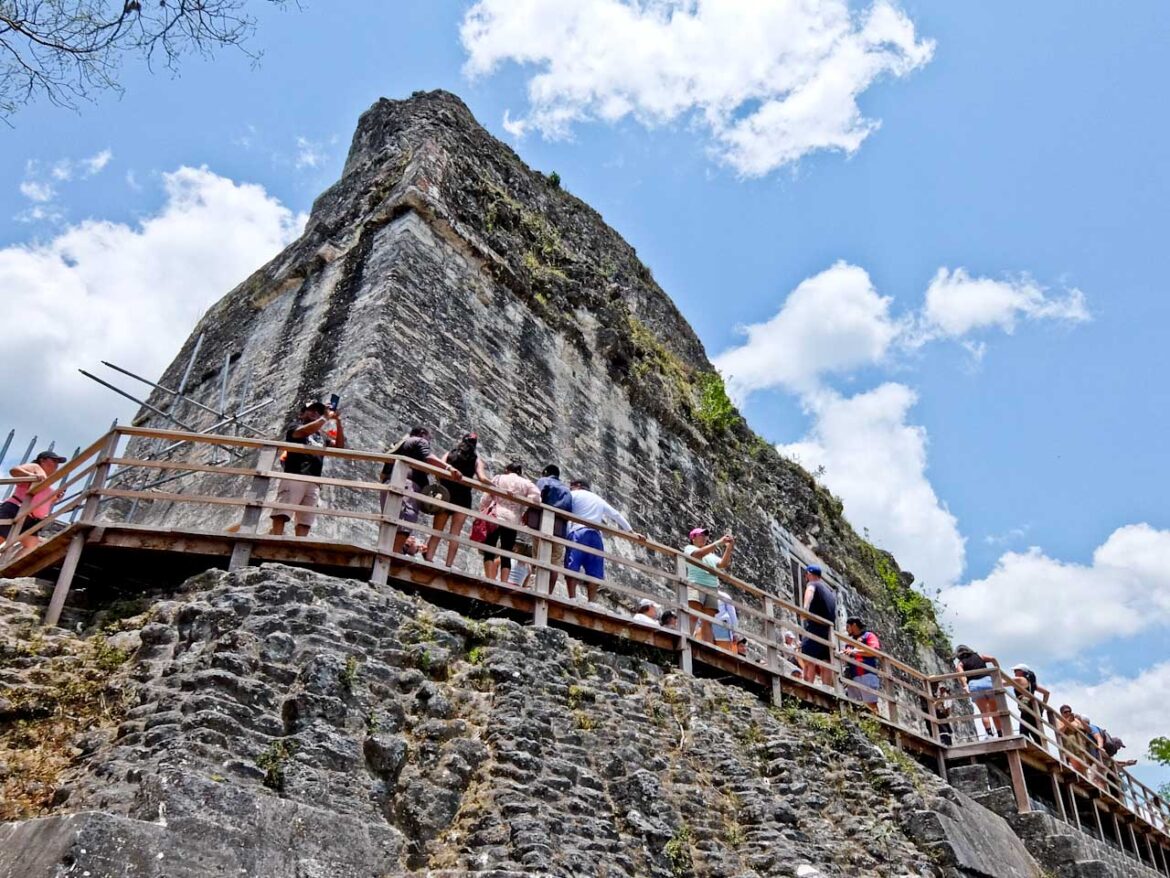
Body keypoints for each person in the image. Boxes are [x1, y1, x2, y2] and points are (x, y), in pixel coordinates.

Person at [381, 427, 464, 560]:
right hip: (406, 486)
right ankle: (392, 557)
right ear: (422, 434)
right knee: (405, 523)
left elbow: (383, 474)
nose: (429, 441)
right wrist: (449, 468)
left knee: (390, 522)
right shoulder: (419, 440)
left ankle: (386, 553)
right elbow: (428, 457)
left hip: (390, 483)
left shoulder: (400, 444)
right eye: (429, 438)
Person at [270, 401, 345, 537]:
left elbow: (339, 447)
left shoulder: (321, 436)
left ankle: (299, 543)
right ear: (301, 414)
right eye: (311, 410)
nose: (315, 413)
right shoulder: (295, 427)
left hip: (314, 481)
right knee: (282, 511)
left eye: (318, 411)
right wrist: (325, 418)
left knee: (305, 519)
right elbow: (303, 432)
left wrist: (338, 422)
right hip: (295, 475)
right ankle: (275, 537)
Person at [563, 479, 643, 604]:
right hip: (595, 535)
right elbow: (616, 514)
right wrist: (631, 532)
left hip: (578, 532)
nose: (570, 488)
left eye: (571, 486)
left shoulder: (574, 494)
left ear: (578, 486)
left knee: (572, 565)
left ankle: (572, 599)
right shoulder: (598, 499)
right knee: (595, 571)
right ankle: (591, 603)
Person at [479, 461, 540, 582]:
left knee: (490, 548)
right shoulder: (526, 483)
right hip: (512, 520)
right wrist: (523, 503)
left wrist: (482, 508)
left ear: (507, 469)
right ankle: (504, 581)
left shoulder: (499, 478)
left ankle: (490, 579)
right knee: (506, 552)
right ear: (520, 472)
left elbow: (486, 496)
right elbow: (537, 497)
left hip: (495, 516)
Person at [434, 433, 490, 567]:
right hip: (463, 497)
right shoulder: (476, 459)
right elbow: (482, 478)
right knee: (455, 533)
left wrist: (441, 482)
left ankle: (429, 557)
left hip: (446, 493)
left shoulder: (450, 454)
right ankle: (448, 564)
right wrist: (495, 486)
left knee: (437, 530)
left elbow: (438, 469)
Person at [0, 450, 68, 557]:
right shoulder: (36, 468)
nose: (56, 464)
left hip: (31, 519)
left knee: (31, 546)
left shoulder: (47, 483)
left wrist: (56, 496)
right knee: (1, 538)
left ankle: (4, 571)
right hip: (16, 509)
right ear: (42, 460)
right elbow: (14, 471)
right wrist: (30, 475)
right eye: (53, 460)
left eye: (57, 462)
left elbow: (40, 501)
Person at [684, 528, 735, 644]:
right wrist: (719, 542)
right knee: (693, 615)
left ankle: (707, 646)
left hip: (712, 587)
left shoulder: (711, 555)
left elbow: (723, 564)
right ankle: (686, 639)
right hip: (696, 583)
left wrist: (729, 548)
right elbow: (698, 555)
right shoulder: (689, 548)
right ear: (693, 538)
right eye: (701, 535)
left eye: (705, 535)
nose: (704, 537)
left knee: (708, 620)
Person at [534, 464, 574, 593]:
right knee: (555, 562)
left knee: (538, 556)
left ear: (545, 472)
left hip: (542, 523)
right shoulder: (567, 490)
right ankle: (548, 592)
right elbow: (569, 509)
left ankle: (537, 589)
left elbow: (536, 497)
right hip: (560, 528)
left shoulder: (543, 481)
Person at [954, 645, 1004, 739]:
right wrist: (997, 670)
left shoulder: (961, 664)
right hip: (988, 682)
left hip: (975, 685)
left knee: (984, 712)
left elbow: (961, 675)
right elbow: (992, 658)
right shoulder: (980, 656)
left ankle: (989, 734)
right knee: (994, 710)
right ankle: (1000, 733)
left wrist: (965, 686)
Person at [800, 565, 837, 687]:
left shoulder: (812, 584)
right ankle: (826, 689)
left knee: (808, 660)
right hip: (828, 631)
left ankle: (807, 687)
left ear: (810, 574)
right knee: (826, 662)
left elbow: (810, 591)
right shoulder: (830, 592)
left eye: (806, 575)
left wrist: (805, 610)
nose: (805, 577)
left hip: (815, 627)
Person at [842, 616, 882, 713]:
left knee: (871, 704)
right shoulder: (849, 641)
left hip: (867, 674)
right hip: (853, 676)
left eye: (848, 627)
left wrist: (854, 652)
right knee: (855, 705)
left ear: (854, 625)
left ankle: (877, 725)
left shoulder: (868, 636)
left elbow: (874, 651)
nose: (847, 630)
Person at [1010, 663, 1050, 745]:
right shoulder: (1031, 683)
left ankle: (1028, 747)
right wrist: (1043, 707)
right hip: (1033, 708)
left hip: (1027, 707)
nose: (1014, 672)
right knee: (1034, 731)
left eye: (1016, 671)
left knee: (1024, 731)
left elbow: (1005, 682)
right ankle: (1041, 749)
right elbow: (1047, 693)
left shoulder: (1020, 679)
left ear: (1022, 672)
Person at [1057, 705, 1092, 775]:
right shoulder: (1060, 720)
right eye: (1066, 712)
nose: (1068, 713)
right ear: (1062, 713)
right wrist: (1067, 722)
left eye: (1069, 711)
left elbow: (1089, 730)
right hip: (1070, 744)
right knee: (1074, 761)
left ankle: (1084, 773)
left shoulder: (1077, 721)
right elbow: (1059, 731)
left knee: (1083, 763)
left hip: (1081, 745)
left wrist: (1081, 720)